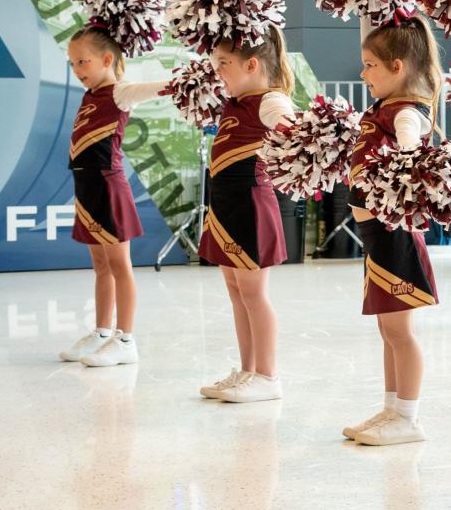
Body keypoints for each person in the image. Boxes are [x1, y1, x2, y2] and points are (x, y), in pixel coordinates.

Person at [342, 17, 445, 446]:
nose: (363, 74)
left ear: (397, 67)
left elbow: (410, 138)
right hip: (376, 239)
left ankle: (409, 415)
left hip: (395, 237)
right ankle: (391, 409)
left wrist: (405, 154)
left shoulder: (406, 111)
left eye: (370, 66)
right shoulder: (383, 107)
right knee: (388, 330)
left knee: (400, 333)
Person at [56, 27, 170, 368]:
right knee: (100, 265)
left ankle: (126, 339)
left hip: (108, 187)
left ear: (108, 60)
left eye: (83, 61)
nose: (77, 70)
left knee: (120, 265)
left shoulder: (120, 92)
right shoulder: (90, 93)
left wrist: (190, 81)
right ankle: (102, 332)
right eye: (72, 63)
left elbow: (158, 88)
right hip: (87, 187)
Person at [195, 29, 296, 404]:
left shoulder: (268, 100)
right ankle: (247, 370)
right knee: (237, 292)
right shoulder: (235, 102)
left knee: (254, 293)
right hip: (224, 207)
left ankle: (268, 376)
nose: (217, 71)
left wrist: (291, 129)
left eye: (224, 64)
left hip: (251, 205)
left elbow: (286, 121)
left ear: (251, 65)